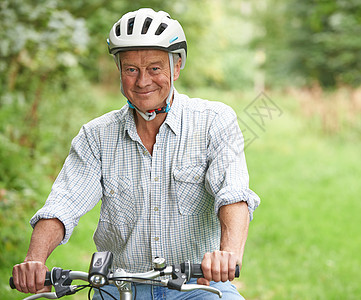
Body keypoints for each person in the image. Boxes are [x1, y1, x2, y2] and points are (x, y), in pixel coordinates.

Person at [11, 7, 260, 300]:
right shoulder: (96, 135)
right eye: (131, 69)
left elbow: (232, 194)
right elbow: (64, 203)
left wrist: (228, 255)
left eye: (155, 68)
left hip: (198, 286)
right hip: (119, 286)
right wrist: (34, 260)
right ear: (119, 70)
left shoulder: (214, 121)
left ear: (176, 67)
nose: (142, 81)